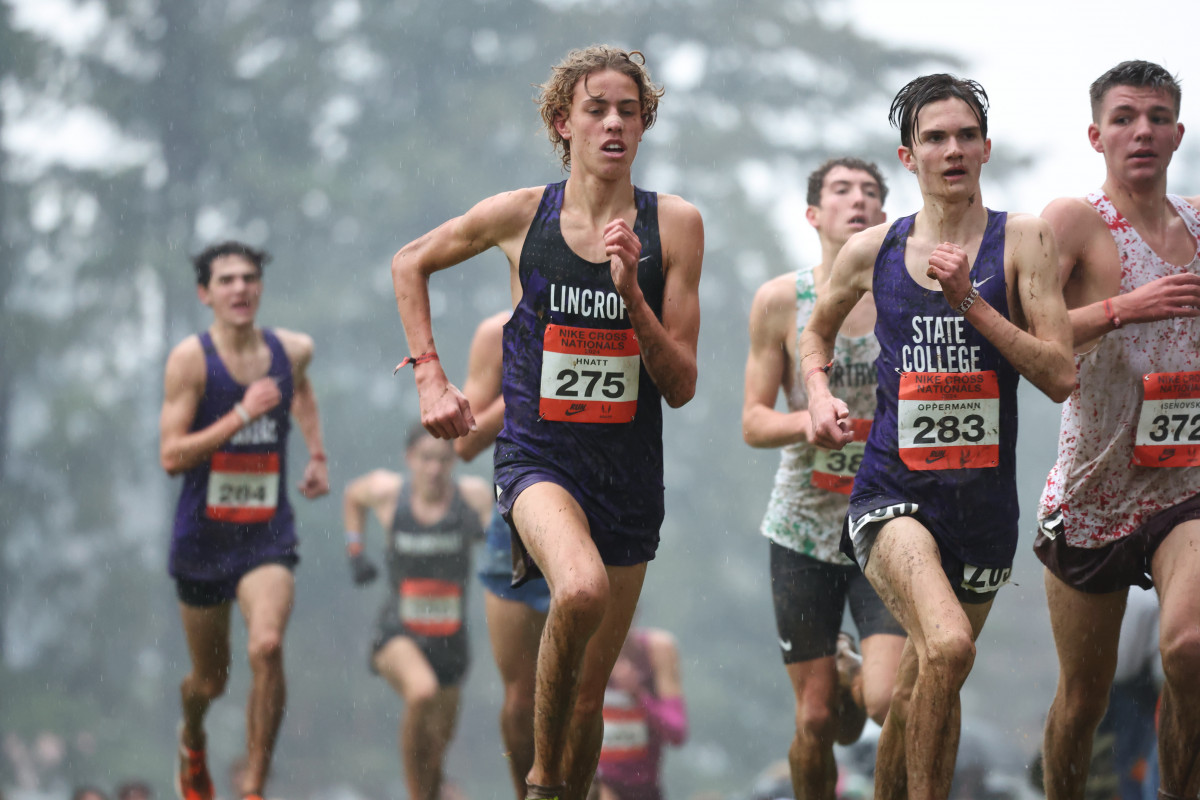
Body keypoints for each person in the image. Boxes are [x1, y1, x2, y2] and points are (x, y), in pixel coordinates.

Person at [390, 45, 703, 800]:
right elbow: (410, 263)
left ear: (645, 122)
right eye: (596, 109)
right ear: (564, 123)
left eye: (629, 109)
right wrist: (431, 378)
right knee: (582, 591)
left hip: (628, 477)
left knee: (591, 698)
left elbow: (683, 385)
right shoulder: (521, 216)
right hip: (539, 463)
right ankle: (537, 775)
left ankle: (562, 786)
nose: (614, 123)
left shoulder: (677, 226)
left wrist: (632, 293)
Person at [798, 74, 1074, 800]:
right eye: (935, 138)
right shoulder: (872, 248)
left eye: (964, 136)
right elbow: (816, 331)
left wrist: (973, 304)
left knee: (928, 678)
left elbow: (1059, 374)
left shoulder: (1024, 239)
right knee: (948, 646)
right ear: (907, 156)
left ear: (986, 148)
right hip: (893, 493)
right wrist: (820, 393)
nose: (952, 149)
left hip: (983, 511)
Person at [1034, 60, 1200, 800]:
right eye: (1127, 117)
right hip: (1094, 490)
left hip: (1185, 481)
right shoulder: (1072, 221)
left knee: (1190, 648)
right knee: (1083, 700)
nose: (1144, 131)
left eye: (1158, 116)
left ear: (1178, 133)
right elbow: (1025, 338)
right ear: (1096, 134)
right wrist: (1124, 309)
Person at [742, 156, 906, 800]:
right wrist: (807, 421)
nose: (857, 201)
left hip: (887, 522)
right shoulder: (783, 300)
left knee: (885, 701)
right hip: (803, 528)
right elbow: (754, 422)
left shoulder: (904, 294)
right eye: (841, 191)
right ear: (814, 215)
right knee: (817, 719)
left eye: (870, 192)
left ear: (886, 218)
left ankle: (854, 674)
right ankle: (831, 682)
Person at [159, 241, 329, 800]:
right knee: (210, 680)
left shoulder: (292, 349)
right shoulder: (191, 360)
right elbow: (171, 456)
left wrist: (316, 453)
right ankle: (192, 735)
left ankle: (254, 784)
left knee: (267, 647)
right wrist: (239, 414)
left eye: (249, 278)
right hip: (203, 541)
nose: (240, 288)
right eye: (226, 280)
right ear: (205, 294)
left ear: (261, 287)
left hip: (265, 535)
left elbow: (299, 387)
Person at [341, 425, 493, 800]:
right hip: (399, 632)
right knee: (421, 693)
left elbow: (507, 527)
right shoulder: (388, 493)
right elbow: (351, 496)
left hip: (451, 640)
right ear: (410, 459)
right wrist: (355, 550)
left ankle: (432, 791)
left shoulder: (473, 498)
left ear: (454, 461)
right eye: (426, 459)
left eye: (443, 460)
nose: (434, 469)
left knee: (436, 746)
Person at [454, 310, 553, 800]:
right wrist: (524, 385)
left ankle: (573, 787)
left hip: (599, 519)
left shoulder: (610, 313)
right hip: (514, 523)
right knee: (520, 699)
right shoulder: (495, 332)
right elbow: (464, 443)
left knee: (578, 697)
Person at [590, 627, 688, 800]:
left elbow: (676, 731)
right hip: (598, 785)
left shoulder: (657, 651)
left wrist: (638, 695)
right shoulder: (587, 653)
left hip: (644, 790)